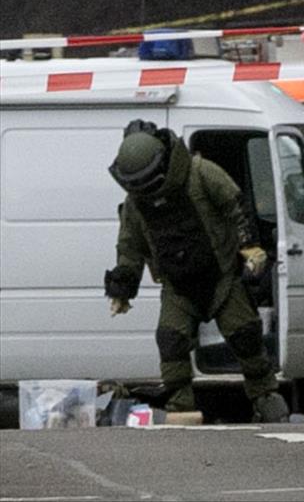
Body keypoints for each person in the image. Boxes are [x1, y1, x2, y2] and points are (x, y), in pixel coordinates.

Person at [103, 119, 289, 423]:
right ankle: (181, 408)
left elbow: (236, 208)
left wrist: (250, 248)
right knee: (171, 341)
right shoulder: (136, 204)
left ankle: (265, 395)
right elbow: (130, 248)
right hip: (178, 287)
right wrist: (122, 289)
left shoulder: (200, 173)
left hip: (223, 277)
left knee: (246, 336)